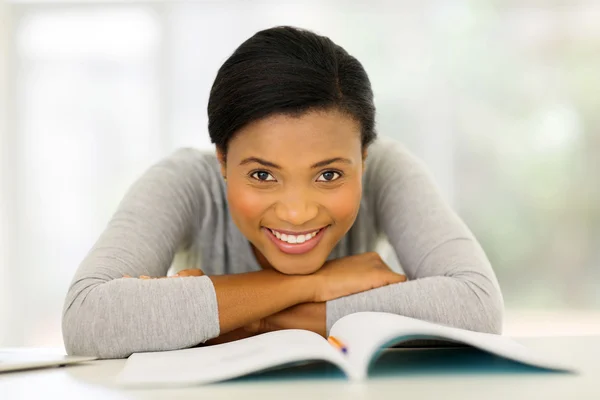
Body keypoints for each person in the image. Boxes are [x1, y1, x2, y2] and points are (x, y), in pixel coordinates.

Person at [62, 26, 503, 359]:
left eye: (329, 175)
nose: (296, 213)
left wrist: (236, 320)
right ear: (222, 160)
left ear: (363, 159)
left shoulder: (387, 169)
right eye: (262, 175)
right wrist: (320, 284)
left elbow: (477, 307)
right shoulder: (185, 181)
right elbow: (88, 317)